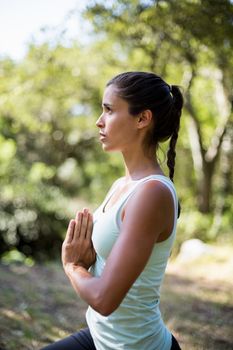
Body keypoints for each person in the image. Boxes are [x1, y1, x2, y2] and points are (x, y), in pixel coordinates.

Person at [42, 71, 183, 349]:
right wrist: (92, 259)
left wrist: (73, 267)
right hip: (98, 337)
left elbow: (105, 299)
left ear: (142, 119)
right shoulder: (123, 184)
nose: (99, 120)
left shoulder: (152, 193)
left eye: (108, 110)